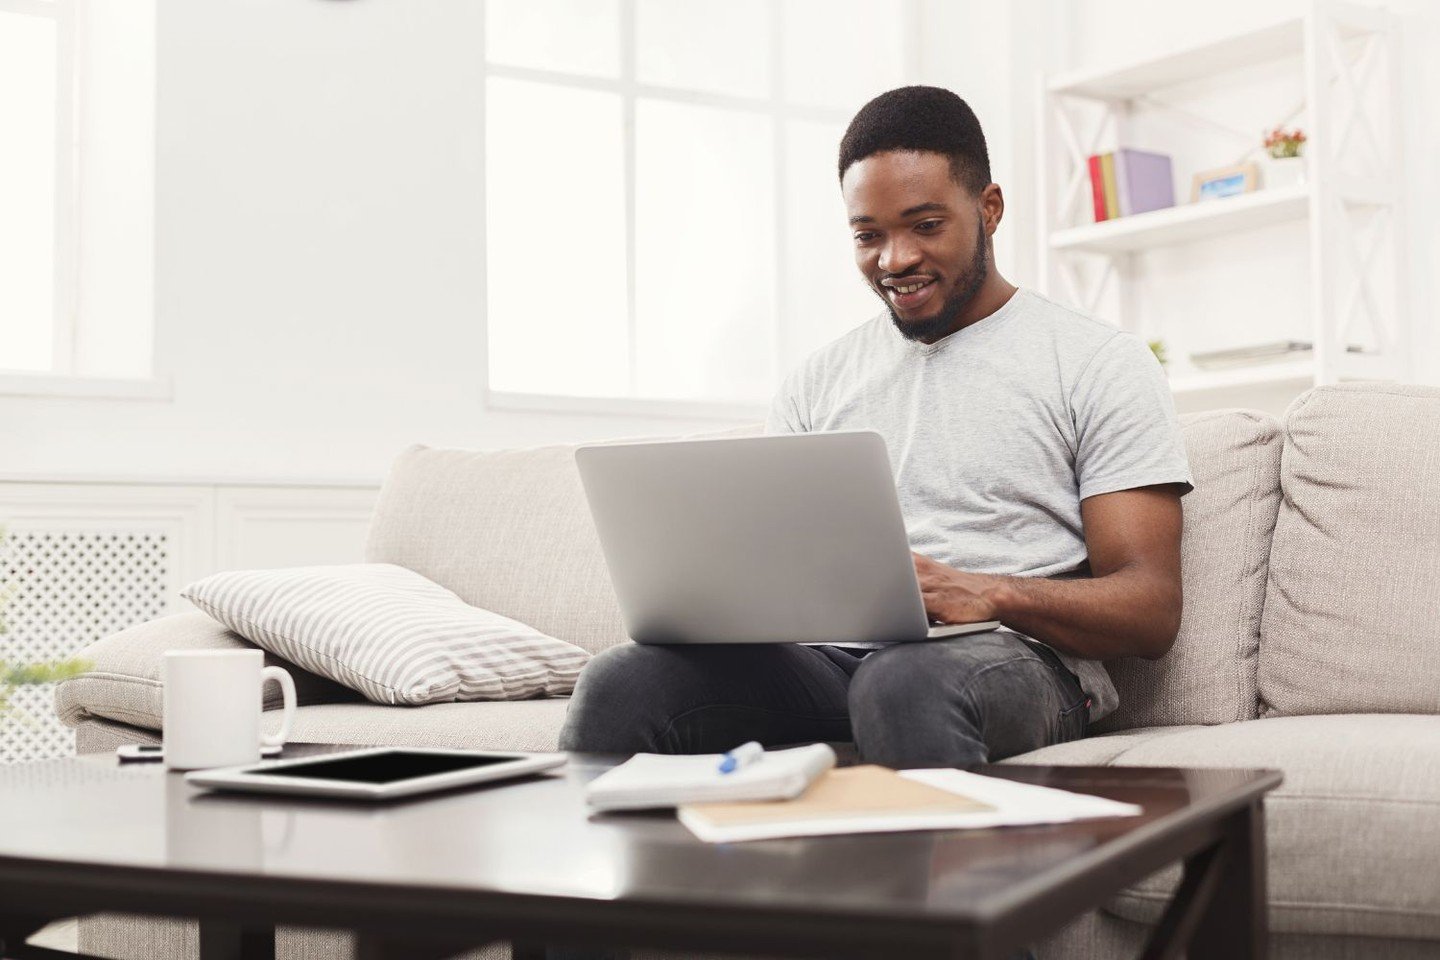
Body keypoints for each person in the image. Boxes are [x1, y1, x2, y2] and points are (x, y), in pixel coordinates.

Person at [557, 85, 1193, 772]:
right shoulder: (817, 382)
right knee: (623, 682)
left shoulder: (1097, 360)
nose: (894, 260)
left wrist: (988, 591)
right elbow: (781, 575)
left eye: (925, 225)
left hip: (1024, 665)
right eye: (869, 235)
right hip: (836, 664)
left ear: (990, 209)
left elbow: (1150, 609)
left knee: (903, 682)